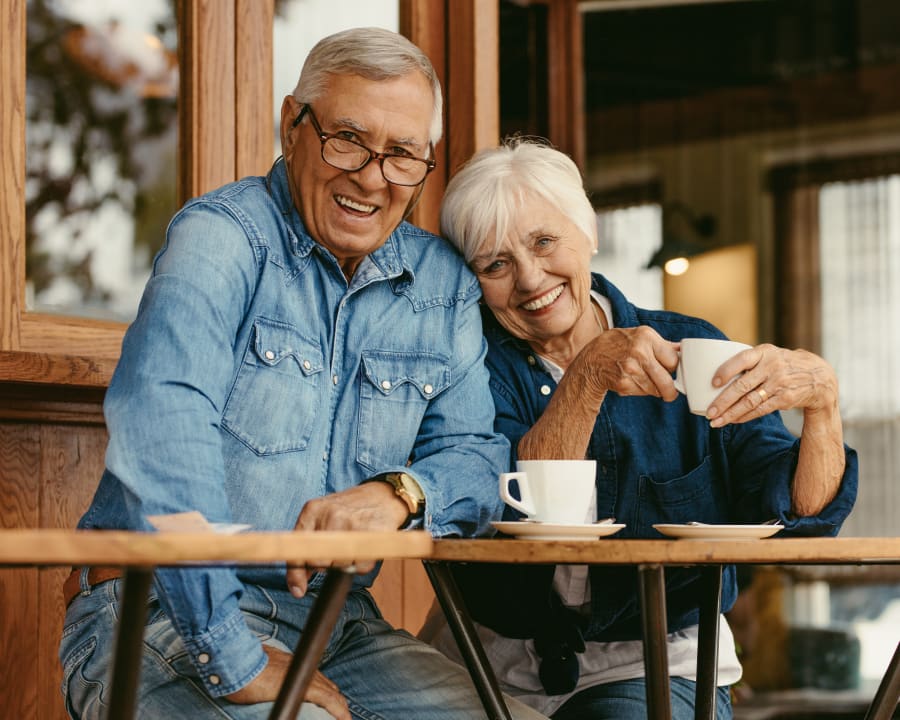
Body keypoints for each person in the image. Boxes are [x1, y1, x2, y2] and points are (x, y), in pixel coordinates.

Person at [58, 28, 549, 720]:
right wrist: (232, 654)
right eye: (348, 138)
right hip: (153, 611)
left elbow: (476, 456)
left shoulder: (443, 283)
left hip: (336, 623)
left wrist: (402, 492)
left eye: (404, 155)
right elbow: (164, 435)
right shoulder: (220, 240)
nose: (373, 177)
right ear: (293, 125)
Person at [425, 137, 859, 720]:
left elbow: (800, 521)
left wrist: (822, 406)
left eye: (545, 242)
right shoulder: (464, 365)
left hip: (655, 662)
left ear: (590, 233)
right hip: (488, 660)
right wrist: (587, 376)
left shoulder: (691, 348)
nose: (529, 280)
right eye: (495, 264)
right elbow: (526, 520)